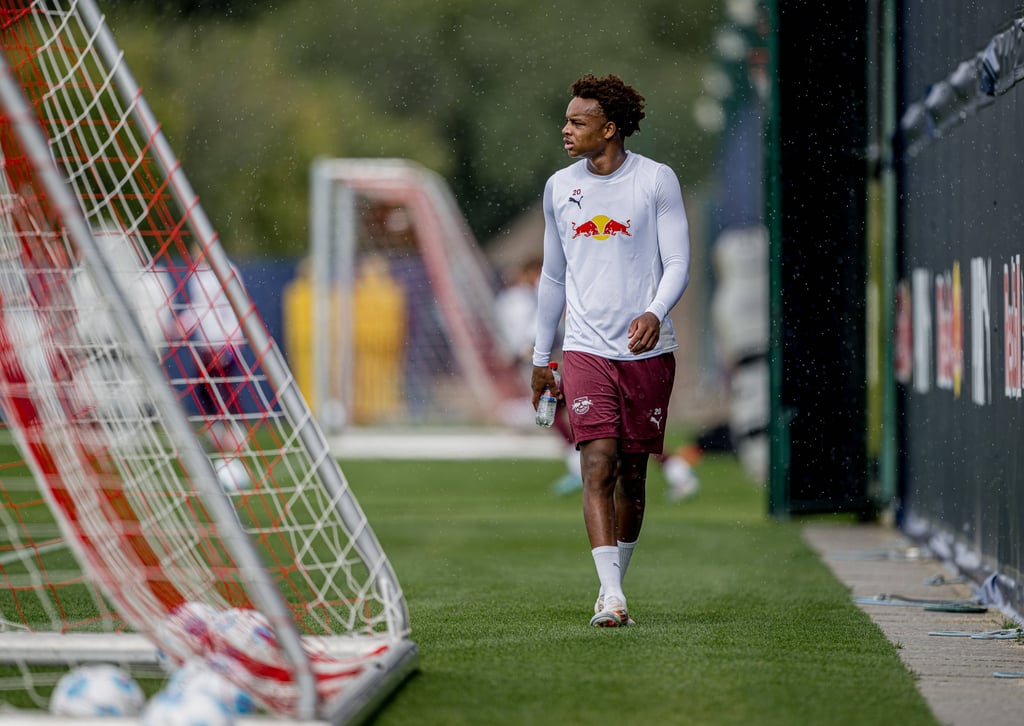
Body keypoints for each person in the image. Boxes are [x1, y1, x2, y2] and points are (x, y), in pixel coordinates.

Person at [531, 73, 691, 628]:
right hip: (584, 350)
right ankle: (612, 596)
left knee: (633, 474)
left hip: (647, 351)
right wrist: (539, 358)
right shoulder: (559, 187)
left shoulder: (656, 181)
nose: (566, 128)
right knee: (596, 462)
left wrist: (654, 311)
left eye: (578, 120)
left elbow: (677, 264)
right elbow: (553, 278)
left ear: (610, 128)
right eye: (568, 118)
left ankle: (614, 581)